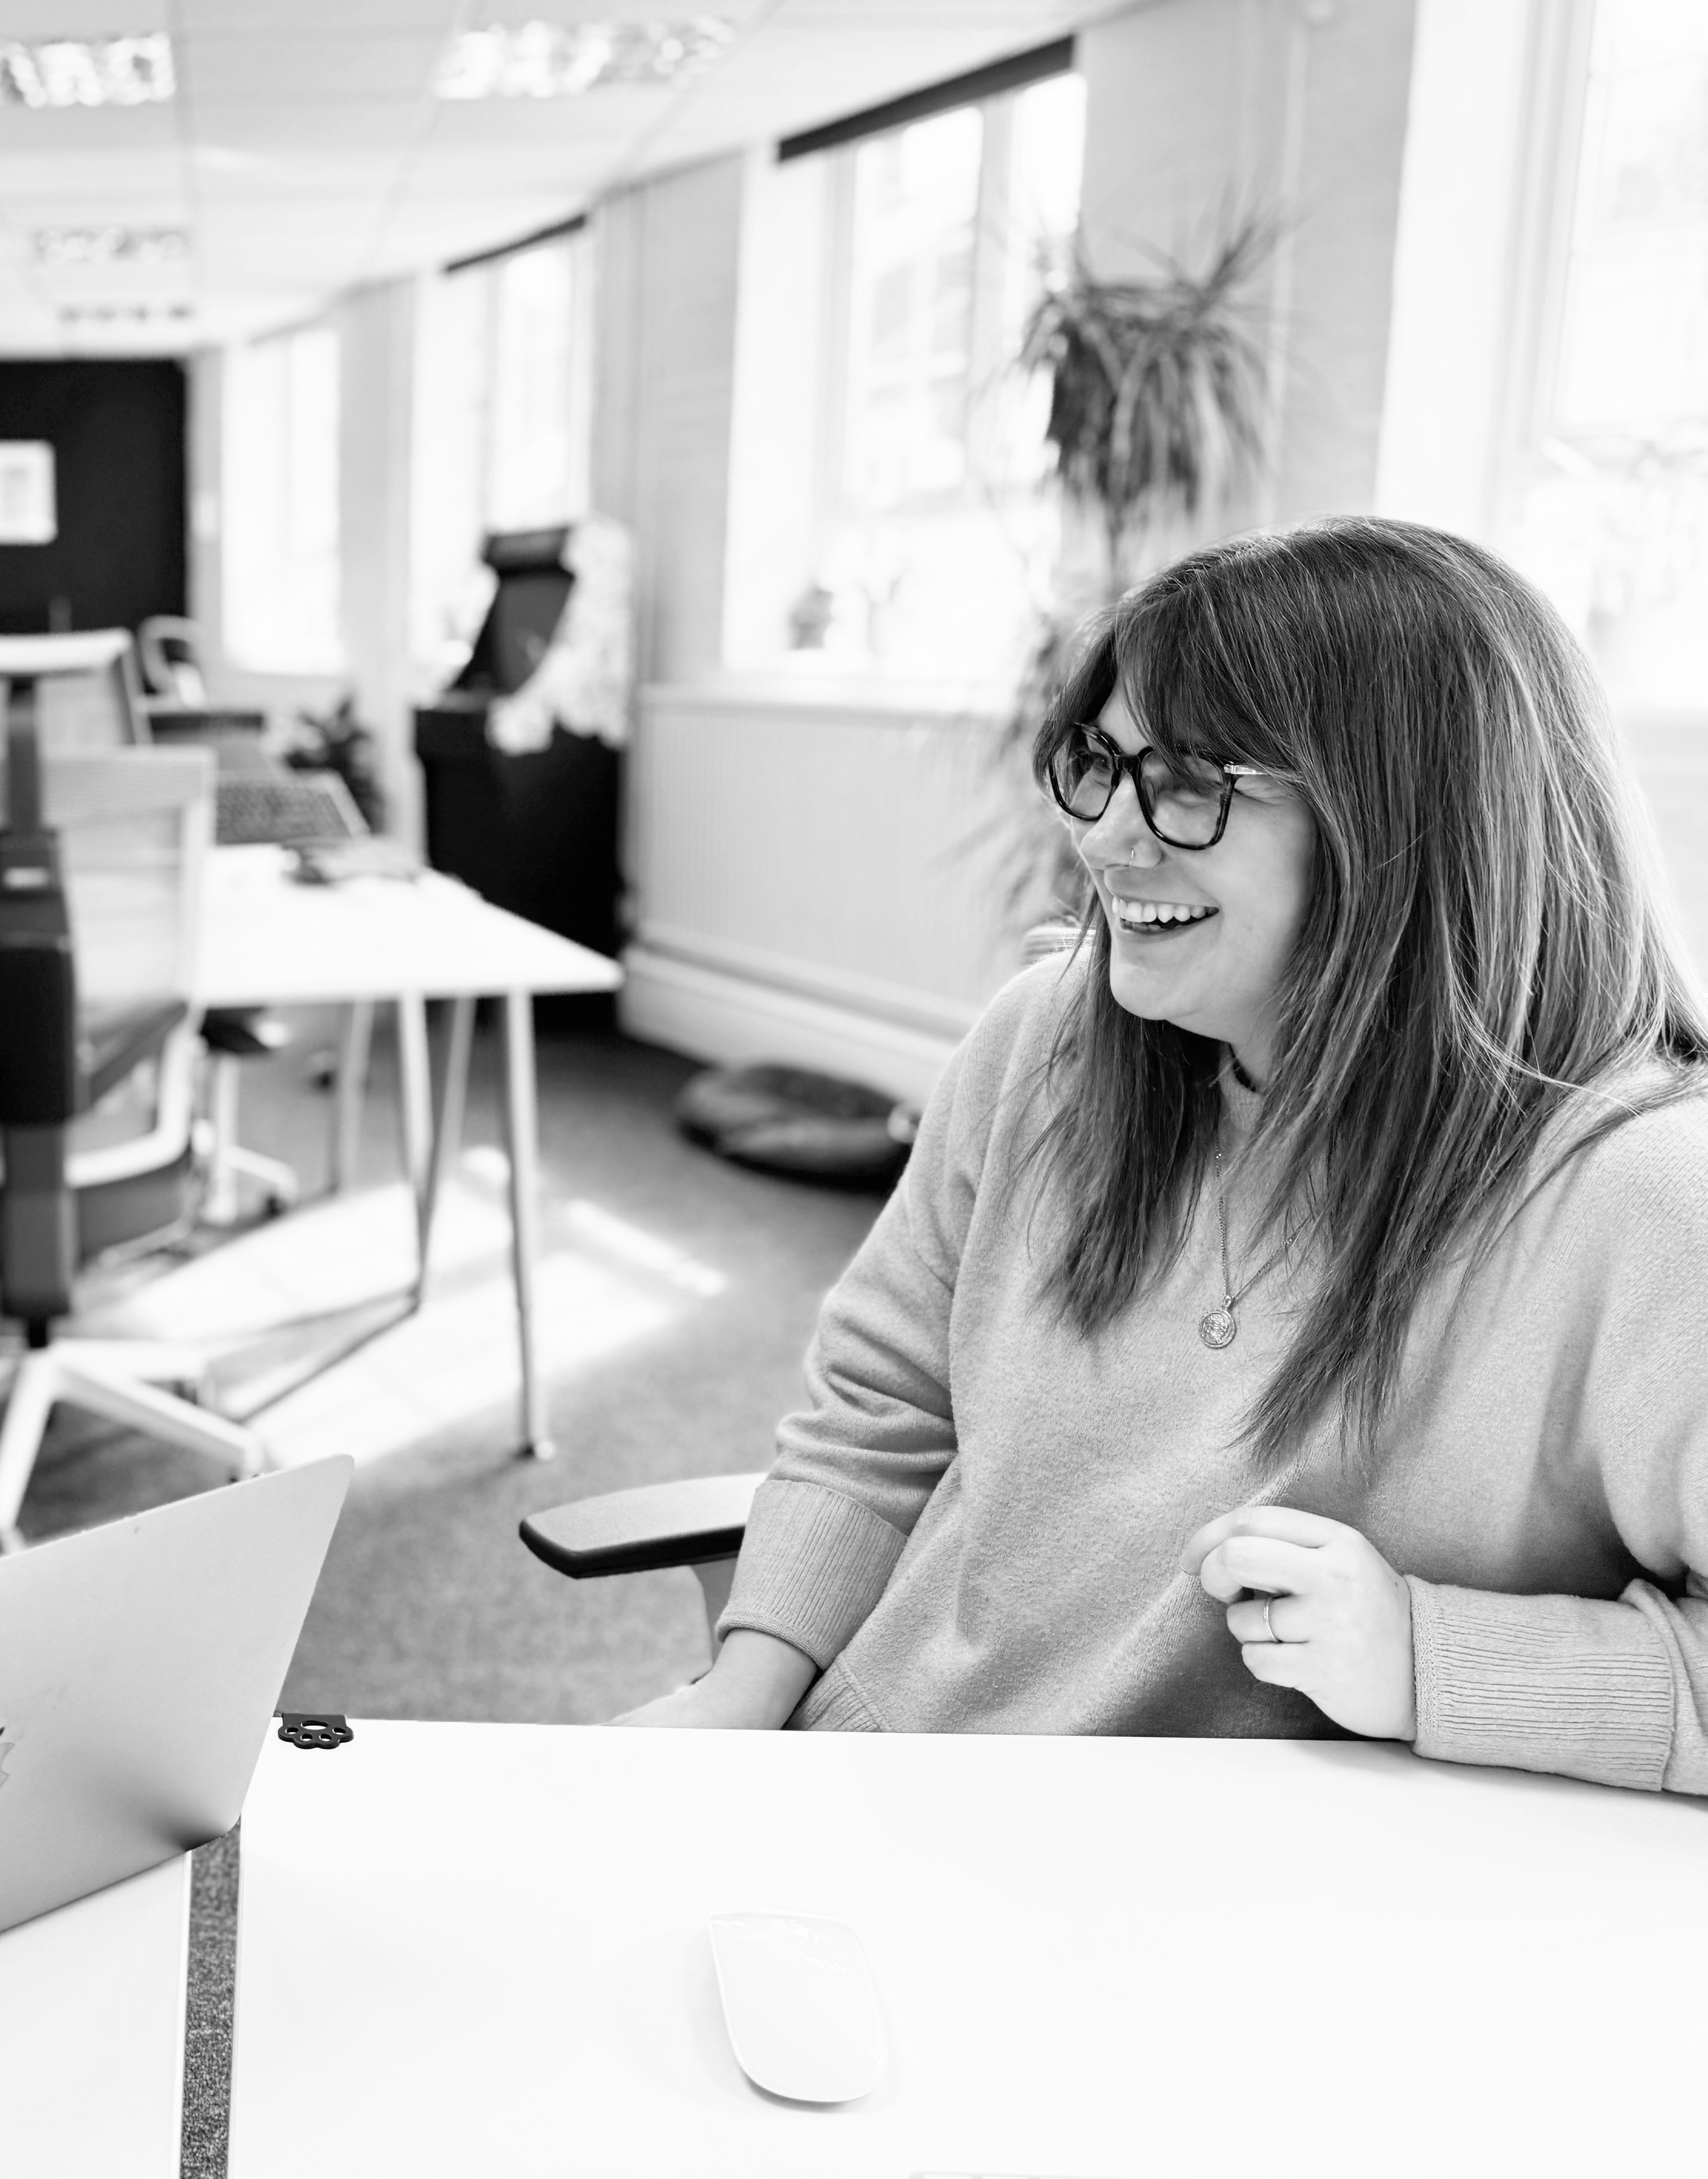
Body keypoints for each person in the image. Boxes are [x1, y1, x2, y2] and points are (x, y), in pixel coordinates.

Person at [623, 517, 1708, 1796]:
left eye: (1192, 782)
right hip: (876, 1789)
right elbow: (882, 1406)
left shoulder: (1648, 1203)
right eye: (1104, 763)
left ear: (1411, 827)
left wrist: (1427, 1657)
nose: (1107, 839)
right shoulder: (1047, 1041)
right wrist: (738, 1693)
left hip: (1214, 1909)